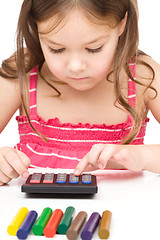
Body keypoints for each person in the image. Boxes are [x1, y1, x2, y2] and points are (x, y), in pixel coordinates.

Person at [0, 0, 160, 186]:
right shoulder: (23, 71)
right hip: (37, 213)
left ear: (121, 24)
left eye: (94, 49)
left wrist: (143, 156)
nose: (76, 66)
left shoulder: (143, 77)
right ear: (36, 28)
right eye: (56, 49)